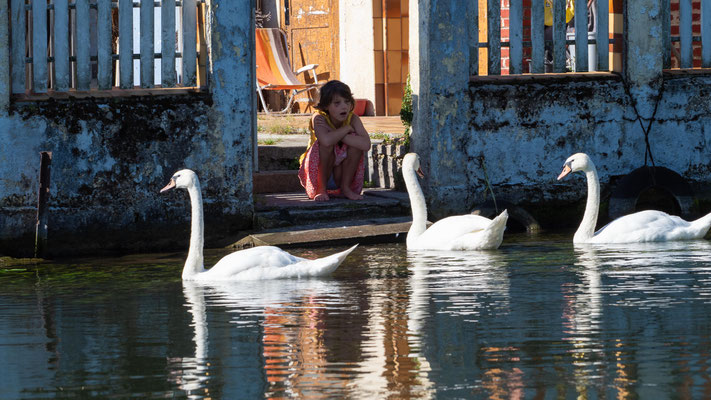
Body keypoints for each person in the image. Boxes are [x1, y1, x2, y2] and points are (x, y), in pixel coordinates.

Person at [298, 80, 372, 201]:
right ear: (326, 105)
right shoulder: (319, 117)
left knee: (356, 144)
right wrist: (346, 130)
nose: (344, 106)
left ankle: (346, 188)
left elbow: (366, 144)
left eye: (347, 102)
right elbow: (326, 141)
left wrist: (342, 131)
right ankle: (321, 189)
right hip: (318, 173)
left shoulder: (352, 119)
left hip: (341, 173)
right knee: (325, 145)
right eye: (337, 103)